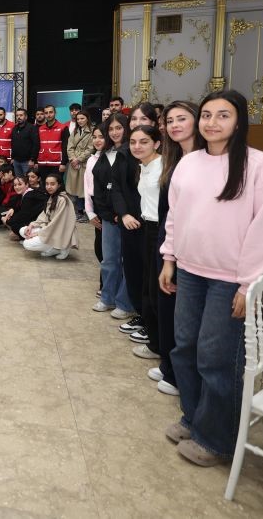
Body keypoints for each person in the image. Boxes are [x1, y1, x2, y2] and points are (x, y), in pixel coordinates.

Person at [159, 90, 263, 467]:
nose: (212, 122)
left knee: (217, 357)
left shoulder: (260, 165)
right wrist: (169, 258)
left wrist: (249, 283)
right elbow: (176, 215)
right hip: (190, 271)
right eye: (207, 115)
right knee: (185, 348)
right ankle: (194, 417)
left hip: (230, 279)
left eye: (223, 115)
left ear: (239, 120)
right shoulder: (189, 163)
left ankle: (217, 439)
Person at [150, 101, 198, 398]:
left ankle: (180, 374)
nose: (174, 125)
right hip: (167, 239)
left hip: (190, 244)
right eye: (170, 121)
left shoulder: (206, 159)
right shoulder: (174, 157)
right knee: (166, 305)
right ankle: (169, 364)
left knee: (183, 313)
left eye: (182, 119)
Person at [91, 113, 138, 319]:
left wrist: (124, 213)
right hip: (109, 217)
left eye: (119, 128)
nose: (115, 132)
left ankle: (125, 303)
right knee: (109, 260)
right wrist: (107, 214)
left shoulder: (132, 152)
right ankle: (107, 297)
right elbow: (98, 189)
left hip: (130, 217)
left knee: (128, 262)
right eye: (111, 129)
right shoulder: (104, 154)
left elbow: (133, 189)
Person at [121, 124, 163, 354]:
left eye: (144, 142)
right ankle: (152, 335)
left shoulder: (164, 167)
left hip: (161, 229)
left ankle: (157, 343)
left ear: (156, 143)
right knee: (147, 283)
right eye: (133, 142)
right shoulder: (143, 167)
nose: (137, 146)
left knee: (157, 287)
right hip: (147, 227)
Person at [21, 176, 78, 259]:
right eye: (47, 184)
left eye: (52, 184)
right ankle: (54, 247)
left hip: (60, 233)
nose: (49, 187)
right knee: (23, 230)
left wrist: (38, 233)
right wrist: (32, 225)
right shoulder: (53, 197)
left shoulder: (62, 199)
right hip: (51, 229)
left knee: (27, 244)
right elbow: (44, 216)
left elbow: (56, 224)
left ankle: (61, 247)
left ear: (59, 185)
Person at [84, 126, 106, 296]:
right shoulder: (92, 159)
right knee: (99, 248)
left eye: (101, 136)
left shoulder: (113, 158)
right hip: (95, 206)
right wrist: (90, 212)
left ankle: (105, 285)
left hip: (109, 208)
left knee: (108, 250)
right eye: (95, 137)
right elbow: (86, 186)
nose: (97, 140)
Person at [65, 109, 94, 222]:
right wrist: (73, 159)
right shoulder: (75, 131)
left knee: (84, 189)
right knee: (74, 189)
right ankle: (78, 211)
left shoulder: (92, 131)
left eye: (82, 118)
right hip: (74, 163)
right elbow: (69, 146)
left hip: (84, 164)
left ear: (87, 119)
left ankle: (86, 212)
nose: (80, 121)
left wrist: (78, 159)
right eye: (78, 119)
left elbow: (91, 148)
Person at [37, 104, 69, 183]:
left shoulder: (63, 127)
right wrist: (35, 161)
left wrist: (63, 163)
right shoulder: (40, 129)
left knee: (57, 186)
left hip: (57, 164)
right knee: (45, 185)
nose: (48, 115)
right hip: (42, 164)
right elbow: (37, 146)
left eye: (51, 112)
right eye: (46, 113)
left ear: (55, 113)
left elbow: (66, 146)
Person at [10, 107, 39, 178]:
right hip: (16, 161)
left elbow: (36, 145)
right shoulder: (14, 128)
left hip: (27, 162)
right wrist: (12, 157)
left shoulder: (32, 128)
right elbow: (13, 143)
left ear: (26, 117)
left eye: (21, 115)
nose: (19, 117)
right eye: (17, 115)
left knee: (28, 181)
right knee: (19, 181)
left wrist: (32, 159)